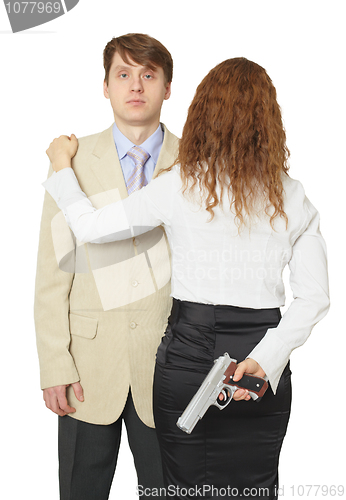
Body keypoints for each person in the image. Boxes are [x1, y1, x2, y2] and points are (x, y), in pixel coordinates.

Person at [42, 58, 329, 500]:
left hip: (187, 357)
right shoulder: (292, 195)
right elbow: (314, 299)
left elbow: (91, 229)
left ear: (204, 114)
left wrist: (62, 164)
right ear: (268, 120)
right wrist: (266, 359)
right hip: (260, 362)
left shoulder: (180, 185)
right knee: (254, 489)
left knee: (181, 490)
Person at [34, 33, 179, 500]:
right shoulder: (72, 162)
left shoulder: (197, 160)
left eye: (148, 75)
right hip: (87, 367)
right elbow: (53, 269)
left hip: (168, 366)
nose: (135, 86)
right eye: (123, 74)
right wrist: (55, 362)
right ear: (105, 86)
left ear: (167, 87)